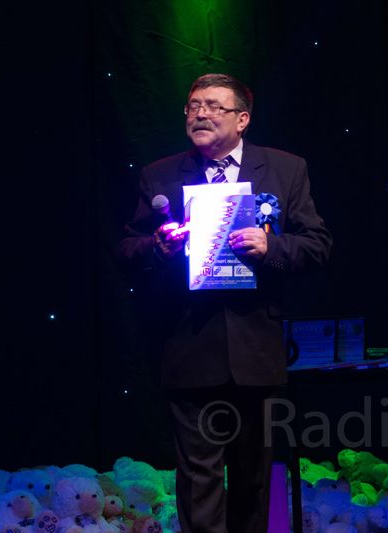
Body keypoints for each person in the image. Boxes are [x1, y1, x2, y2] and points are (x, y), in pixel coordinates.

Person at [118, 73, 331, 533]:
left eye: (214, 106)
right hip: (189, 343)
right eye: (193, 106)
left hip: (257, 346)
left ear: (242, 119)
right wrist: (158, 246)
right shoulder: (160, 174)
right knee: (199, 478)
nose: (200, 113)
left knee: (253, 476)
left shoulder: (285, 168)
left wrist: (271, 247)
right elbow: (127, 249)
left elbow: (317, 245)